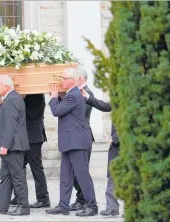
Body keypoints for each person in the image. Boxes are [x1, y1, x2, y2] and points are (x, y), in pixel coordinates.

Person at [45, 68, 98, 216]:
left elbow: (57, 111)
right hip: (69, 142)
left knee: (82, 176)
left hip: (77, 142)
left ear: (73, 80)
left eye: (64, 78)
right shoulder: (71, 95)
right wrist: (59, 97)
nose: (62, 81)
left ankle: (92, 206)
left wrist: (54, 97)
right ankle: (63, 205)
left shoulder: (74, 95)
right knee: (65, 176)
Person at [0, 75, 30, 216]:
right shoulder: (12, 99)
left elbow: (11, 125)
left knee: (17, 178)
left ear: (6, 86)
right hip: (12, 146)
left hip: (13, 146)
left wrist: (5, 145)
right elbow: (7, 118)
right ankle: (1, 206)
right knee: (5, 177)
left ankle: (23, 207)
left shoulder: (12, 100)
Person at [80, 88, 120, 216]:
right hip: (118, 146)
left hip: (128, 144)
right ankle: (112, 208)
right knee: (113, 176)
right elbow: (106, 106)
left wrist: (115, 138)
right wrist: (88, 97)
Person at [10, 94, 50, 208]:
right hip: (23, 137)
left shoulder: (38, 96)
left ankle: (43, 199)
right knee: (19, 166)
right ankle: (19, 196)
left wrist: (21, 99)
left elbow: (31, 114)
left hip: (34, 138)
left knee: (36, 168)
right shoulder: (24, 96)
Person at [71, 70, 95, 211]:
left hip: (84, 136)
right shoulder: (77, 93)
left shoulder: (87, 93)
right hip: (76, 137)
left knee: (81, 171)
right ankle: (81, 198)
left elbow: (79, 113)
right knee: (74, 172)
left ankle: (85, 200)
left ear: (79, 78)